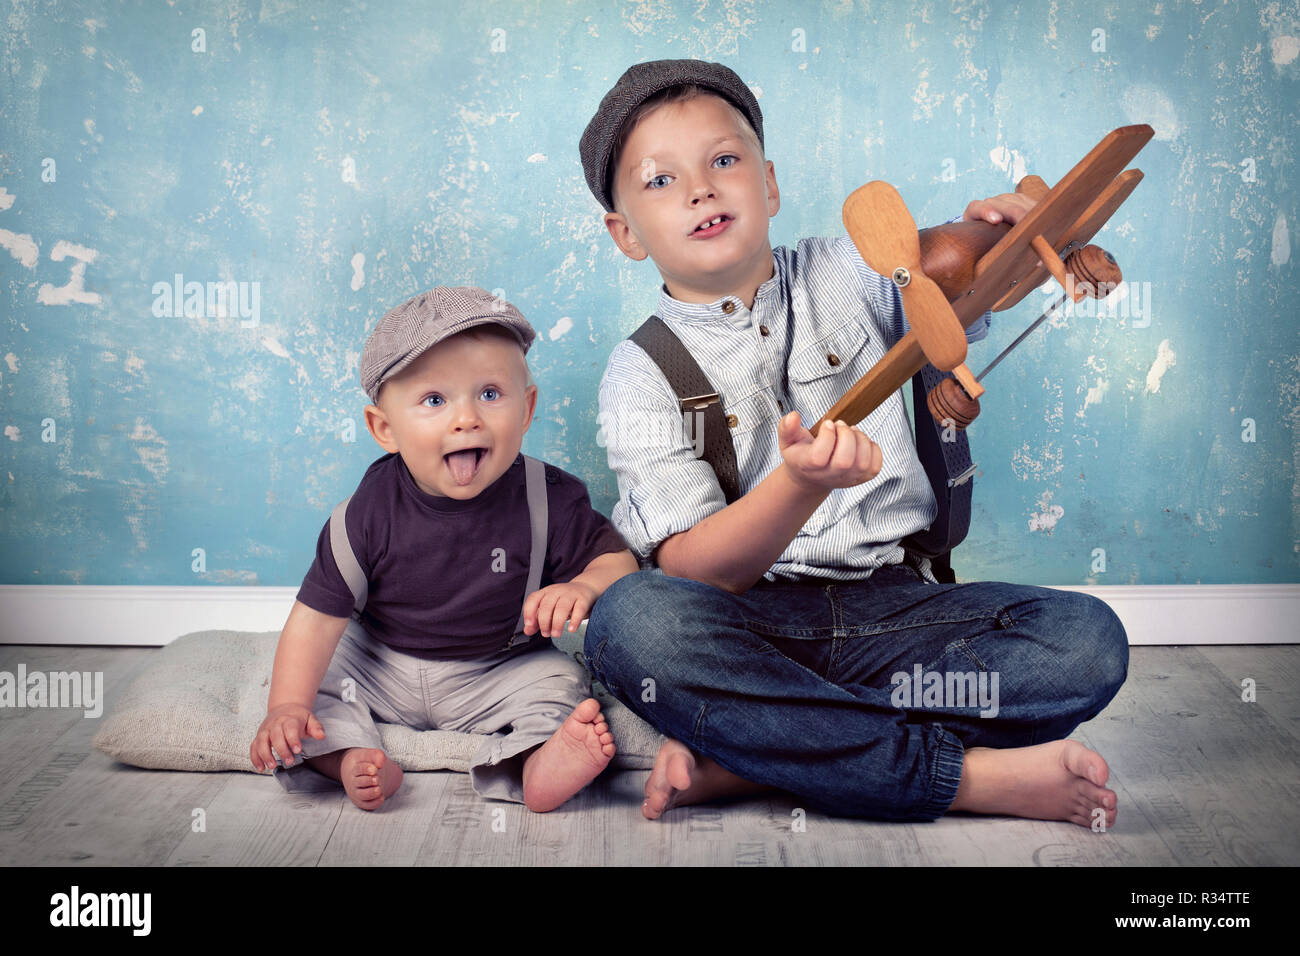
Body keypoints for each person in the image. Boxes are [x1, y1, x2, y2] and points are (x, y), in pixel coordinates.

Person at [578, 59, 1129, 826]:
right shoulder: (639, 374)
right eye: (660, 181)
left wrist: (999, 239)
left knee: (1085, 643)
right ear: (625, 232)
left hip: (900, 626)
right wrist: (797, 486)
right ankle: (960, 779)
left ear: (768, 185)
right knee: (631, 621)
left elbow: (946, 271)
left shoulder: (852, 268)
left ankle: (762, 750)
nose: (701, 189)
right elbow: (697, 574)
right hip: (754, 632)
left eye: (724, 161)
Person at [249, 286, 638, 812]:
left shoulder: (549, 498)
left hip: (497, 669)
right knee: (311, 686)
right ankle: (348, 759)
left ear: (526, 410)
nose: (466, 419)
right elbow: (315, 622)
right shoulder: (365, 514)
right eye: (435, 401)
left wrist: (583, 586)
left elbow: (617, 561)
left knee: (562, 683)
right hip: (381, 665)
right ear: (384, 429)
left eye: (490, 394)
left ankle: (535, 766)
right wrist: (287, 706)